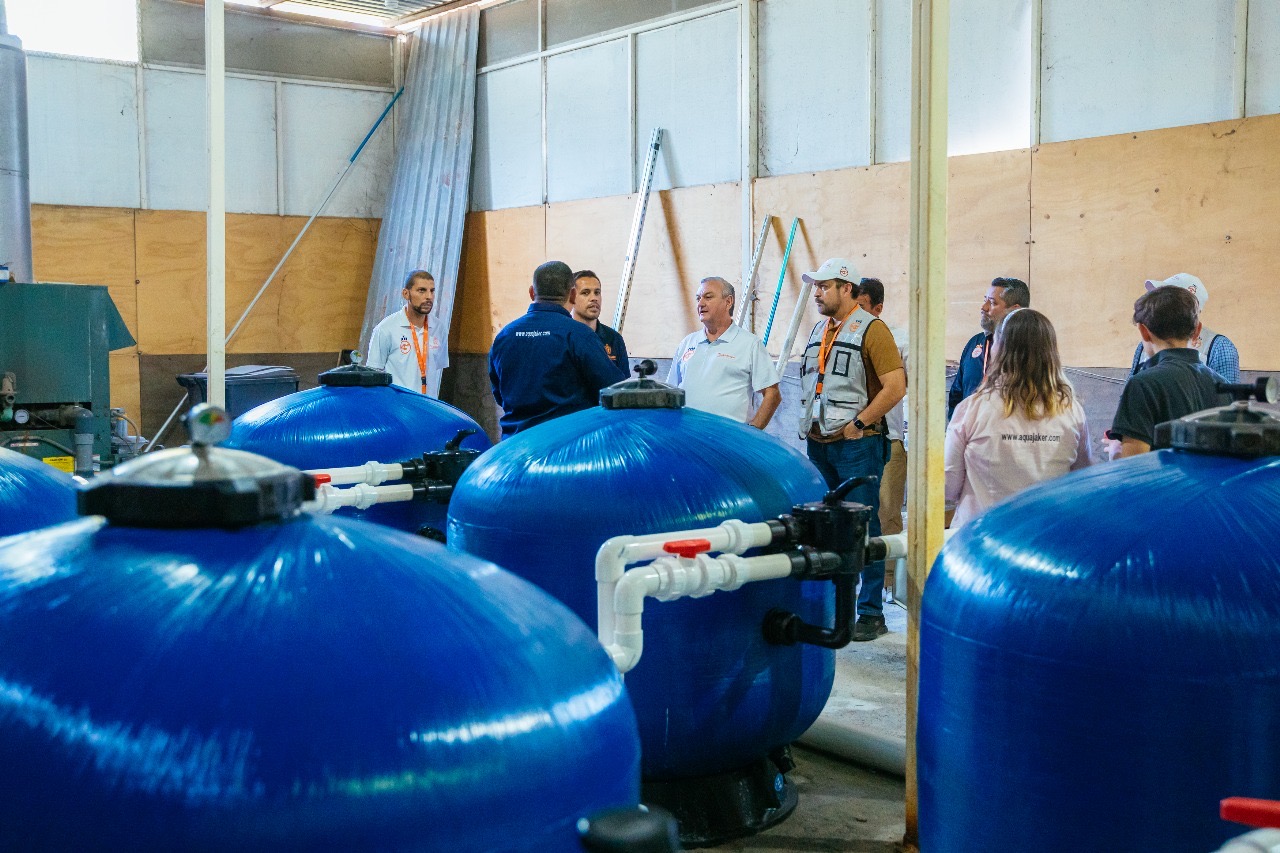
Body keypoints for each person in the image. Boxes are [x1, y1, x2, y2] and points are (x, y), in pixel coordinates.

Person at [797, 258, 906, 641]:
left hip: (858, 445)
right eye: (815, 287)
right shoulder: (820, 329)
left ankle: (871, 611)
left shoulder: (873, 330)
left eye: (824, 286)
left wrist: (860, 424)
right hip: (820, 442)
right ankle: (833, 605)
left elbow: (896, 386)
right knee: (824, 525)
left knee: (864, 526)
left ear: (847, 288)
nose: (817, 293)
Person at [944, 309, 1092, 528]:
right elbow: (1082, 480)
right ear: (1050, 353)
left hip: (981, 536)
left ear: (999, 350)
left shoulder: (972, 409)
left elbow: (947, 486)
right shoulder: (1071, 411)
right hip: (1043, 536)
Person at [488, 260, 622, 439]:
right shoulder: (579, 335)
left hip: (515, 446)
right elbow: (612, 390)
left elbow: (499, 393)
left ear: (532, 292)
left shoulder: (505, 336)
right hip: (566, 446)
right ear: (572, 295)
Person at [1110, 285, 1231, 458]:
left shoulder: (1143, 384)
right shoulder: (1224, 386)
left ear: (1144, 331)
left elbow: (1133, 467)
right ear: (1197, 331)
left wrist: (1115, 454)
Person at [666, 277, 781, 429]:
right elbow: (670, 391)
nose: (700, 304)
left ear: (728, 302)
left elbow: (772, 394)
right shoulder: (687, 343)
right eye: (698, 298)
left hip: (729, 438)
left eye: (708, 297)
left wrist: (753, 431)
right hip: (688, 435)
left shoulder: (750, 344)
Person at [855, 277, 908, 539]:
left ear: (878, 309)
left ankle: (888, 567)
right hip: (849, 441)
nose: (855, 312)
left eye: (862, 306)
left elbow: (916, 390)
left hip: (888, 439)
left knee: (886, 516)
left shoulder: (900, 340)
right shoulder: (837, 337)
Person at [1128, 273, 1239, 382]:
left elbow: (1228, 392)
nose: (1158, 304)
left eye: (1167, 300)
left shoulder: (1220, 347)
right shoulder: (1145, 342)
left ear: (1193, 308)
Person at [947, 277, 1030, 420]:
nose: (983, 307)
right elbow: (957, 395)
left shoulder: (1031, 349)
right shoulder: (975, 343)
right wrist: (958, 427)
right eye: (985, 300)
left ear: (1014, 310)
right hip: (970, 431)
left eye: (992, 303)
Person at [366, 270, 443, 396]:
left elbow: (436, 369)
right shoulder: (385, 329)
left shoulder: (439, 329)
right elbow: (373, 376)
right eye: (422, 290)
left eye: (432, 291)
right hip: (397, 405)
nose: (429, 296)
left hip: (428, 405)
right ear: (406, 294)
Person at [570, 270, 630, 379]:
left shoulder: (614, 338)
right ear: (572, 297)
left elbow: (623, 384)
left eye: (597, 292)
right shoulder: (564, 337)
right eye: (585, 293)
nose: (594, 298)